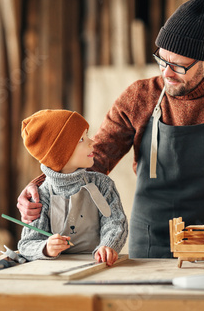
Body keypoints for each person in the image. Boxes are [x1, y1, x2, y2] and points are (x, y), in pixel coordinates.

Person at [17, 0, 204, 258]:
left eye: (179, 66)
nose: (167, 73)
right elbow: (95, 158)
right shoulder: (140, 96)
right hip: (149, 243)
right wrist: (42, 185)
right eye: (162, 60)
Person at [17, 109, 128, 265]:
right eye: (82, 139)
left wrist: (108, 246)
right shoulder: (40, 196)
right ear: (61, 154)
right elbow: (27, 244)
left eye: (87, 135)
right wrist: (46, 248)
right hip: (56, 274)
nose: (92, 141)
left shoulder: (103, 185)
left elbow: (115, 222)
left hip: (98, 265)